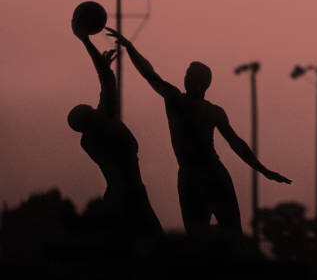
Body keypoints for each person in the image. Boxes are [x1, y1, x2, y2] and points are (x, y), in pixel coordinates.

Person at [106, 28, 291, 236]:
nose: (186, 78)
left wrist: (264, 170)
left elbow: (237, 144)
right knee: (196, 236)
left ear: (203, 83)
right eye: (186, 74)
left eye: (191, 76)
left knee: (232, 235)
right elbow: (149, 74)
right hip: (191, 175)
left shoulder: (210, 110)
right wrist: (130, 48)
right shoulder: (175, 99)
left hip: (213, 174)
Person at [67, 25, 162, 236]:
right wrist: (85, 41)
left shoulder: (91, 138)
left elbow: (107, 81)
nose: (94, 106)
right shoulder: (102, 125)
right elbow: (107, 81)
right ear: (90, 116)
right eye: (90, 108)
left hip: (122, 195)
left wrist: (90, 47)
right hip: (127, 195)